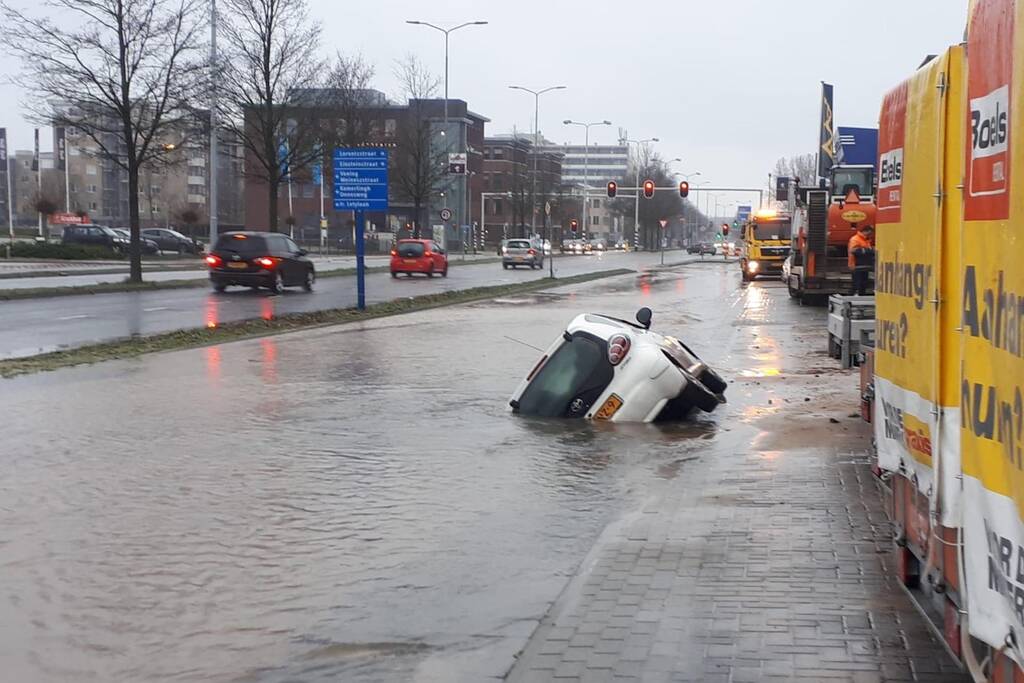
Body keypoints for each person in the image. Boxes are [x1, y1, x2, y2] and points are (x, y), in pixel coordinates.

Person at [848, 225, 875, 296]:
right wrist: (870, 251)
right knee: (857, 283)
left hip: (864, 266)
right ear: (865, 231)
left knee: (863, 284)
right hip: (857, 265)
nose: (871, 235)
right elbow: (854, 250)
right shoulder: (855, 239)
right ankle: (853, 296)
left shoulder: (865, 239)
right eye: (870, 233)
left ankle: (860, 296)